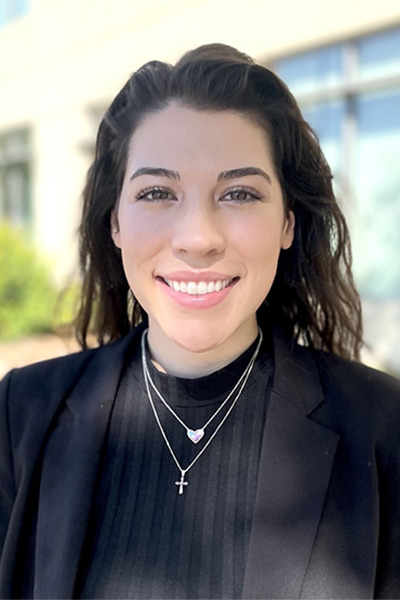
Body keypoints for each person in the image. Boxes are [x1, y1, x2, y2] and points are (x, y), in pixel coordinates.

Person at [0, 43, 399, 600]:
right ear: (114, 221)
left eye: (239, 193)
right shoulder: (20, 413)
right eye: (157, 192)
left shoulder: (384, 426)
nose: (198, 238)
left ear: (287, 222)